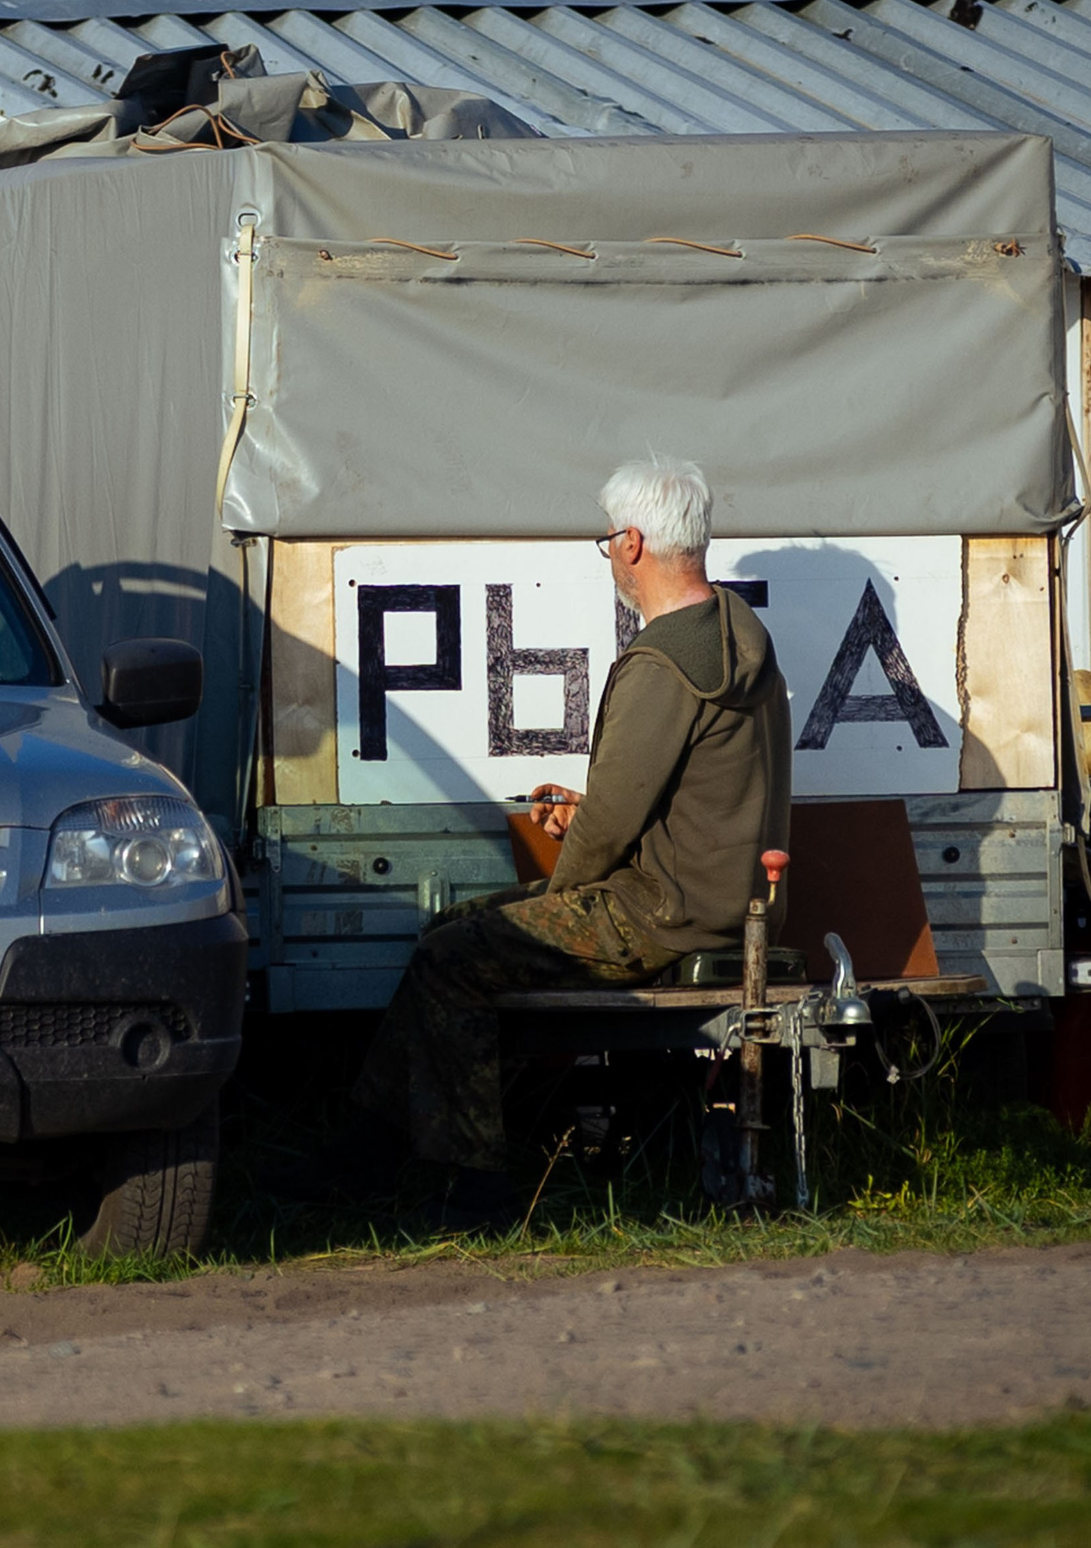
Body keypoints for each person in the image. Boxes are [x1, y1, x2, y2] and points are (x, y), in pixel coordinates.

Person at [289, 457, 793, 1228]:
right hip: (727, 904)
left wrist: (557, 903)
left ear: (631, 542)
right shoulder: (737, 637)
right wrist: (589, 819)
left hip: (656, 913)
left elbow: (611, 831)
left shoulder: (662, 664)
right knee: (448, 935)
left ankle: (473, 1188)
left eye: (606, 544)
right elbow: (687, 800)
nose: (609, 561)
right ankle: (366, 1152)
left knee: (451, 958)